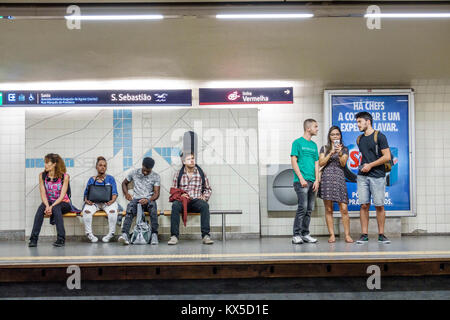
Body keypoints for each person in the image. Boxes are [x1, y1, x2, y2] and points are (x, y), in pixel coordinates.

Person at [355, 112, 391, 244]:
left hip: (377, 176)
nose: (357, 125)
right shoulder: (359, 139)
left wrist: (370, 165)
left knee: (379, 205)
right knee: (364, 205)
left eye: (359, 122)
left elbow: (387, 156)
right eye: (357, 122)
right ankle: (364, 235)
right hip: (362, 177)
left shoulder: (380, 136)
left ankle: (381, 235)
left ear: (368, 121)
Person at [168, 152, 213, 245]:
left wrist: (204, 197)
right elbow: (173, 190)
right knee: (175, 206)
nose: (192, 161)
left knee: (205, 206)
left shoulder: (201, 173)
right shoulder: (178, 174)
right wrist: (180, 196)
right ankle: (174, 236)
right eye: (189, 159)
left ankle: (206, 236)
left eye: (193, 158)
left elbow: (208, 189)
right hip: (183, 201)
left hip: (196, 200)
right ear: (184, 162)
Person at [318, 126, 353, 243]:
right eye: (333, 134)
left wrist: (339, 153)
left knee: (344, 208)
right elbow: (321, 163)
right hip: (327, 178)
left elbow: (343, 164)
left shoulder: (345, 149)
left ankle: (347, 235)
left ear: (340, 136)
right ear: (329, 136)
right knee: (328, 208)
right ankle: (332, 235)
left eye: (337, 134)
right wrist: (330, 153)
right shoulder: (324, 148)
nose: (335, 136)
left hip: (339, 179)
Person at [29, 153, 72, 247]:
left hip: (63, 202)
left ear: (54, 164)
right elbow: (43, 194)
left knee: (56, 208)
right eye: (45, 162)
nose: (45, 165)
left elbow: (62, 196)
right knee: (40, 210)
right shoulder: (42, 176)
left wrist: (51, 207)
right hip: (48, 202)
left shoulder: (65, 177)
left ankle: (61, 239)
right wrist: (47, 206)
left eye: (47, 163)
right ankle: (33, 239)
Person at [290, 119, 320, 244]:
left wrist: (317, 180)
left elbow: (316, 163)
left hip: (312, 181)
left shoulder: (314, 145)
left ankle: (305, 234)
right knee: (302, 207)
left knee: (309, 209)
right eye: (315, 126)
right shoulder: (297, 143)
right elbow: (293, 161)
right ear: (308, 128)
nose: (317, 129)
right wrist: (301, 178)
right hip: (301, 181)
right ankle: (296, 235)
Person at [118, 157, 160, 245]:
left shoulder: (156, 176)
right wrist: (126, 194)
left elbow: (156, 194)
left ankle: (154, 235)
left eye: (147, 171)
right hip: (136, 199)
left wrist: (148, 200)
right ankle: (125, 234)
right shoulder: (134, 173)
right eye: (144, 170)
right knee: (130, 209)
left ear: (151, 169)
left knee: (153, 209)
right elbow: (124, 183)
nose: (145, 172)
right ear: (142, 166)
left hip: (149, 199)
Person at [82, 156, 119, 243]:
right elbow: (86, 194)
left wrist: (112, 201)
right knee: (86, 211)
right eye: (100, 165)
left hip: (108, 202)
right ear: (96, 167)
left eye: (104, 166)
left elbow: (115, 193)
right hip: (95, 203)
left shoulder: (110, 178)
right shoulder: (92, 179)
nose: (102, 167)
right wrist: (87, 201)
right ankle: (89, 234)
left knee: (113, 211)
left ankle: (111, 233)